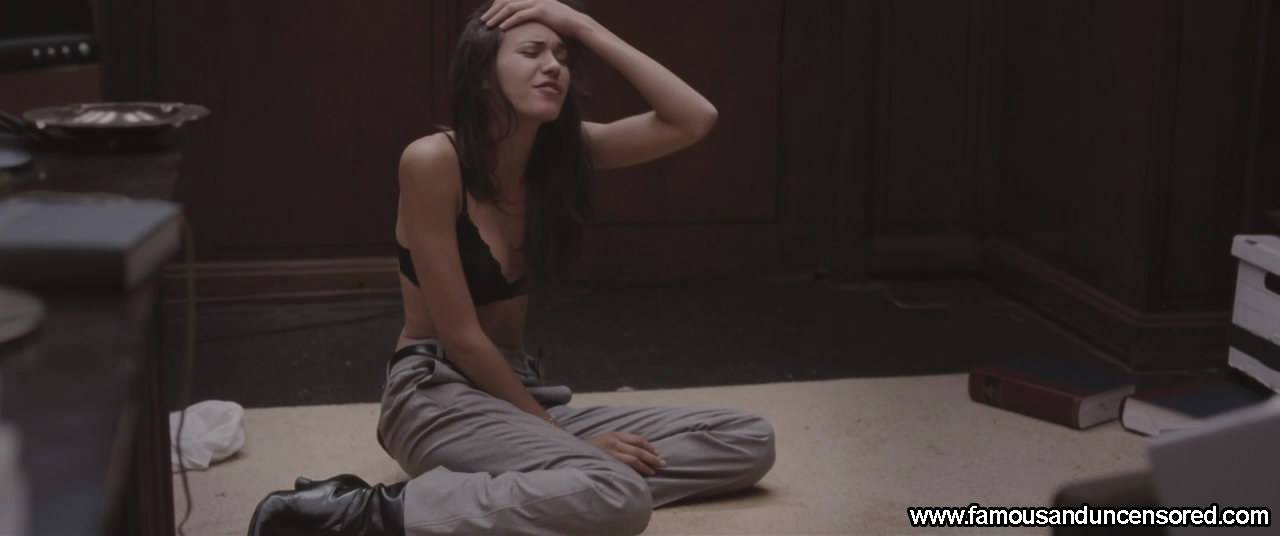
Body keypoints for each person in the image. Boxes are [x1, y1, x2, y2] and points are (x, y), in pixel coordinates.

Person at [248, 0, 775, 534]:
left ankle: (554, 485)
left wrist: (584, 25)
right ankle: (367, 511)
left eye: (562, 56)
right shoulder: (433, 162)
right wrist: (560, 437)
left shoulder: (562, 156)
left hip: (519, 395)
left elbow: (694, 118)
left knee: (747, 440)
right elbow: (460, 337)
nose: (553, 66)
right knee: (620, 494)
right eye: (532, 52)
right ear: (482, 75)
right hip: (436, 394)